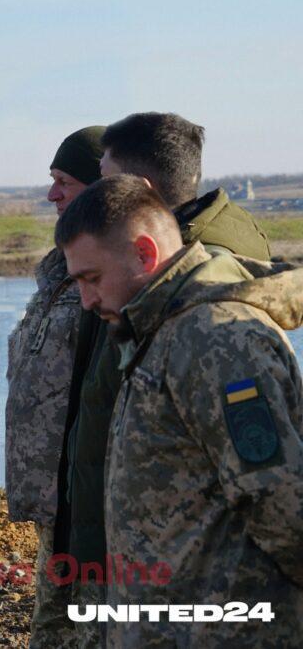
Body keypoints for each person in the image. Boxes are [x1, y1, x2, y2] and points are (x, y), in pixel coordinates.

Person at [56, 174, 303, 647]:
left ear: (145, 255)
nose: (87, 301)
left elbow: (279, 499)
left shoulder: (217, 338)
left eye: (92, 278)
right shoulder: (159, 328)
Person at [4, 126, 104, 648]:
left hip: (91, 505)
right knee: (50, 631)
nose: (51, 194)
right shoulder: (60, 269)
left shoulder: (114, 275)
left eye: (63, 181)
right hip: (57, 501)